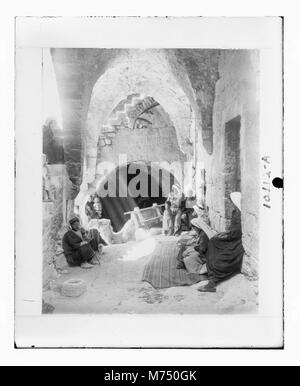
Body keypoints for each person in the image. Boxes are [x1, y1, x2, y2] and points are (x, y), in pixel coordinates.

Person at [198, 192, 244, 292]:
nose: (231, 203)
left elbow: (236, 233)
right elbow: (232, 230)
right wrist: (225, 234)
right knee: (213, 241)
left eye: (232, 201)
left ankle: (212, 281)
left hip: (235, 242)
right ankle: (210, 272)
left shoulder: (239, 214)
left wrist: (225, 236)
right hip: (231, 237)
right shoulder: (235, 212)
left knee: (216, 246)